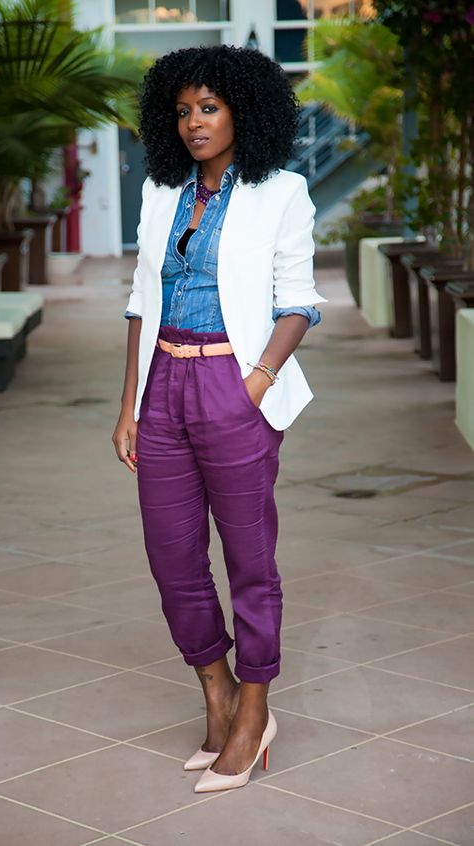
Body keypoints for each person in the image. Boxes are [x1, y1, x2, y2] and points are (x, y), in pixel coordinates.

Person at [112, 44, 326, 793]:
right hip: (162, 384)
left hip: (233, 385)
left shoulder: (281, 193)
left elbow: (298, 302)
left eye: (209, 107)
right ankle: (217, 692)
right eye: (182, 111)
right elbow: (140, 302)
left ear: (244, 111)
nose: (194, 123)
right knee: (172, 559)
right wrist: (129, 405)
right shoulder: (160, 191)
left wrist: (256, 382)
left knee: (249, 560)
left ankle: (255, 708)